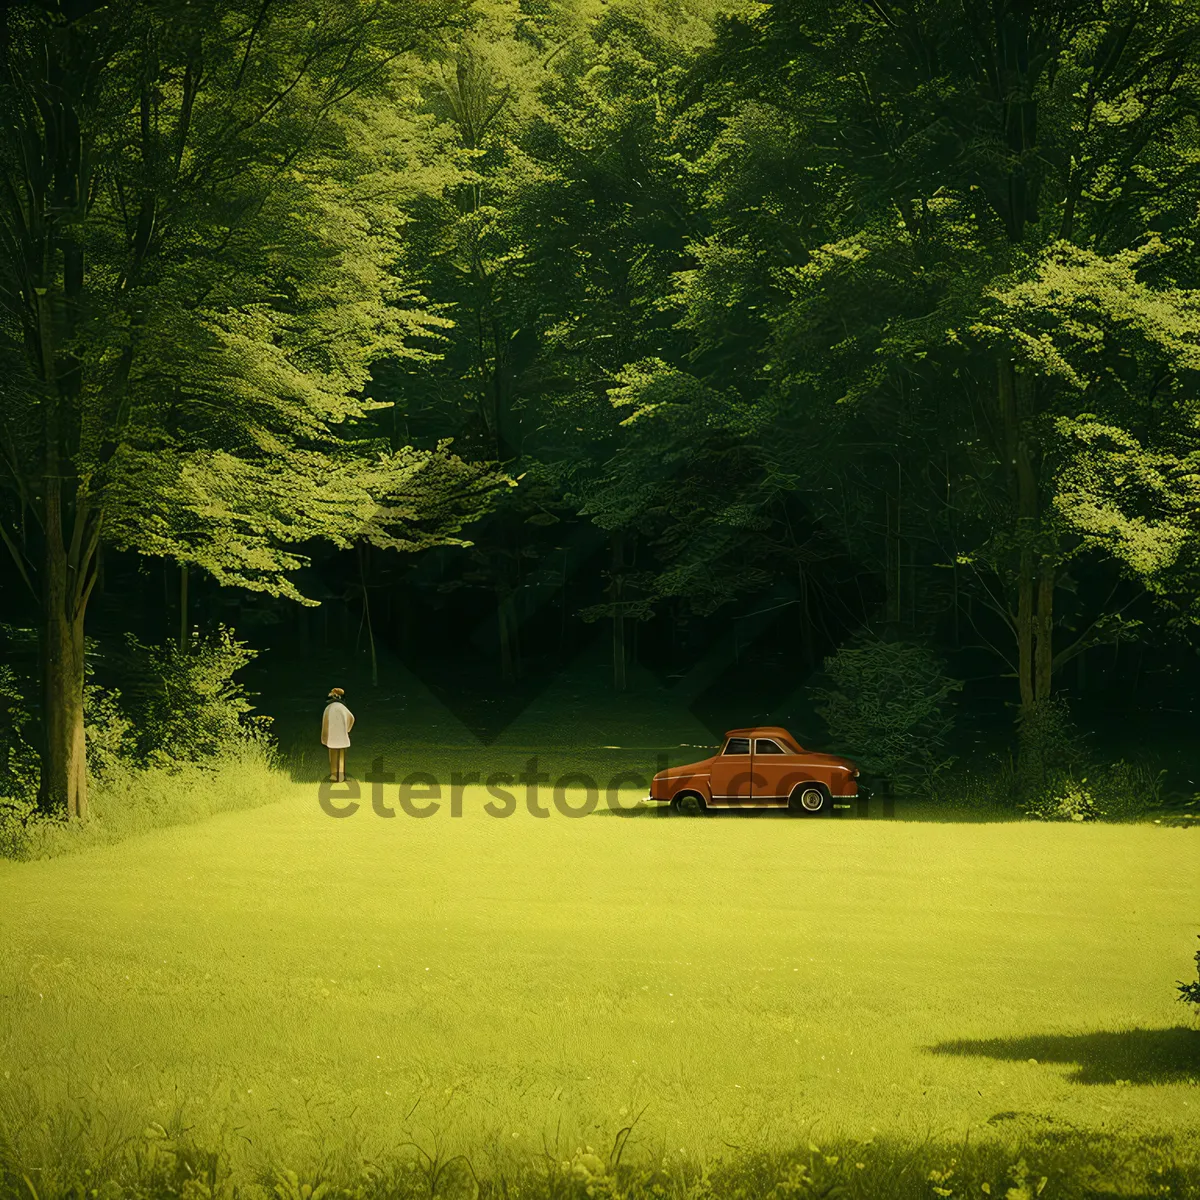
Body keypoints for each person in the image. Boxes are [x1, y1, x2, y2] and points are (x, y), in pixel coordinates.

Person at [321, 687, 355, 782]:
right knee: (341, 756)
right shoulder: (343, 708)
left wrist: (324, 736)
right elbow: (351, 718)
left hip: (331, 736)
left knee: (333, 755)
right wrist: (347, 730)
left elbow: (325, 723)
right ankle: (341, 776)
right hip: (342, 736)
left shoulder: (328, 708)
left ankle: (333, 775)